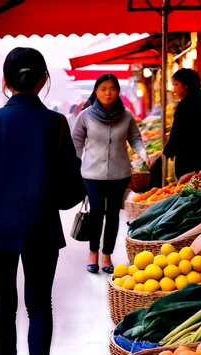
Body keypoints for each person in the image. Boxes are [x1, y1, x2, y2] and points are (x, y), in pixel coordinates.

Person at [0, 47, 81, 355]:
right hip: (43, 227)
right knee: (40, 304)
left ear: (5, 82)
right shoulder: (56, 123)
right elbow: (71, 186)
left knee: (5, 305)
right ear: (44, 80)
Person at [72, 74, 150, 275]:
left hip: (119, 173)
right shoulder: (86, 115)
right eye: (103, 89)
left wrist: (144, 154)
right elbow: (76, 143)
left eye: (112, 89)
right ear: (96, 92)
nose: (108, 93)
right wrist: (78, 164)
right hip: (92, 175)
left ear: (118, 91)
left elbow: (136, 139)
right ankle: (93, 253)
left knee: (113, 215)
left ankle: (107, 255)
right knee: (97, 212)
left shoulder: (126, 115)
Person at [164, 69, 201, 179]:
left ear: (186, 85)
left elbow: (177, 132)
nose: (174, 89)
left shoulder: (184, 105)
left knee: (188, 189)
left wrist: (168, 151)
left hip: (187, 160)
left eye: (176, 84)